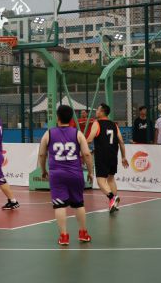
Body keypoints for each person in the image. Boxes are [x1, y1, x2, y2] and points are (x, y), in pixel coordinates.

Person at [38, 105, 94, 246]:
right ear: (71, 119)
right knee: (78, 204)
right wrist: (90, 172)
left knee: (59, 206)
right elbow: (87, 154)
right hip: (75, 173)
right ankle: (83, 233)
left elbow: (42, 154)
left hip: (57, 175)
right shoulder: (78, 134)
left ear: (57, 117)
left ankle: (64, 236)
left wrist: (43, 170)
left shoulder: (49, 134)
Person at [86, 103, 129, 213]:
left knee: (100, 181)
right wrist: (123, 157)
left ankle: (112, 198)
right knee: (111, 179)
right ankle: (114, 204)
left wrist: (80, 144)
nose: (96, 111)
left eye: (97, 110)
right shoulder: (114, 124)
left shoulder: (97, 123)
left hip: (102, 156)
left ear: (102, 112)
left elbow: (89, 139)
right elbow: (121, 141)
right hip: (113, 155)